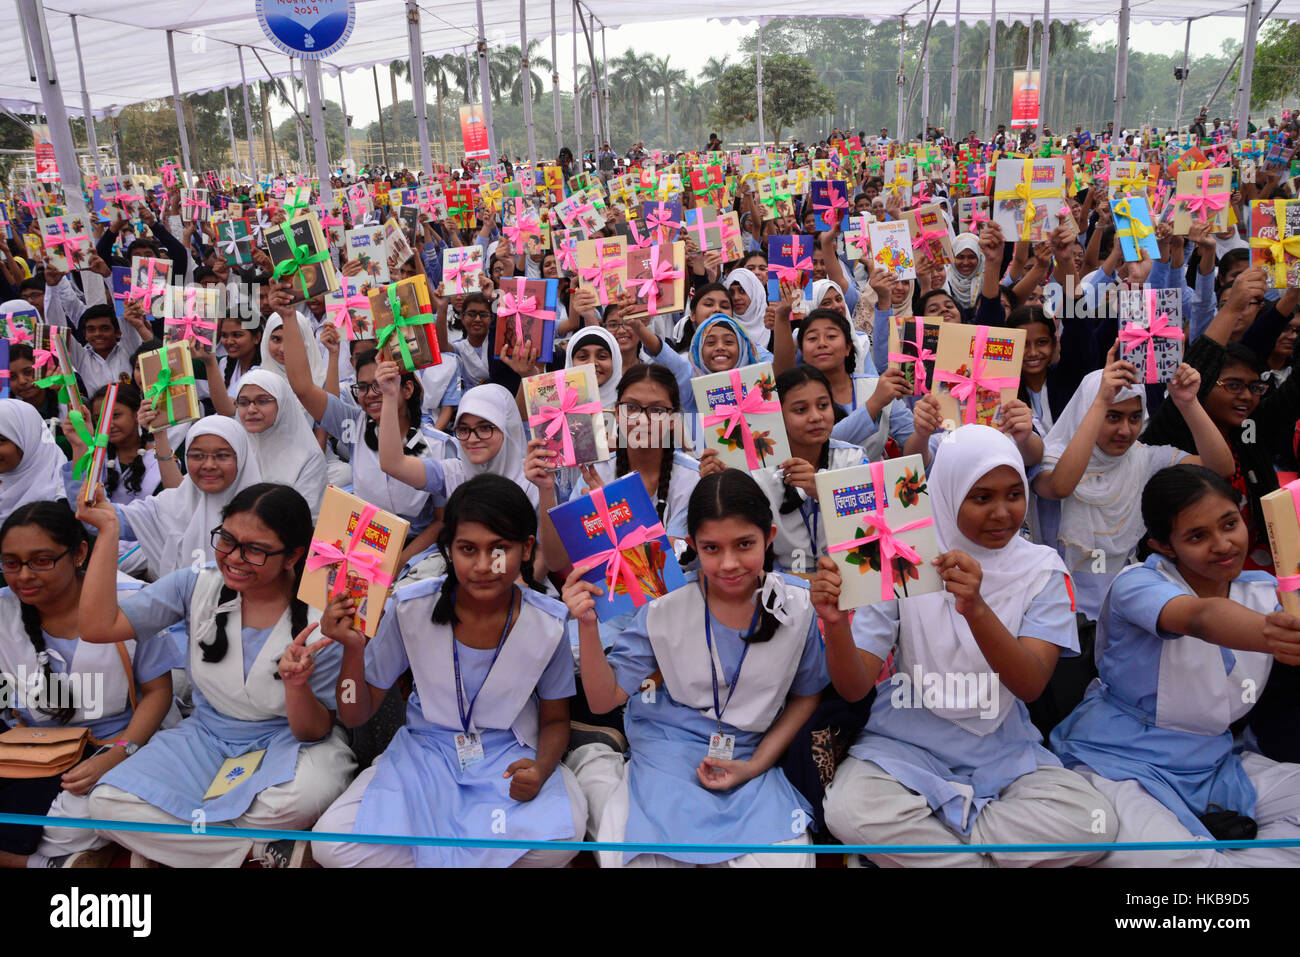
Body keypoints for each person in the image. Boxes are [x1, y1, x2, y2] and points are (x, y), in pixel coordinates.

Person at [311, 475, 587, 867]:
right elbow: (354, 712)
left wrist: (541, 769)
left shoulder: (548, 623)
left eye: (499, 549)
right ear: (448, 550)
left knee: (564, 839)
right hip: (426, 754)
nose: (482, 565)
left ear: (526, 549)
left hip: (506, 757)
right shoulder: (410, 608)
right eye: (467, 549)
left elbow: (557, 718)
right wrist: (353, 650)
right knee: (331, 844)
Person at [76, 483, 356, 868]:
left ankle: (171, 845)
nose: (234, 558)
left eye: (255, 549)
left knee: (305, 796)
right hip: (205, 738)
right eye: (226, 539)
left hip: (289, 745)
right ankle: (257, 850)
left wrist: (296, 685)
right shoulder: (197, 583)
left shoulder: (326, 613)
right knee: (106, 803)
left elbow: (313, 731)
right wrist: (107, 531)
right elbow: (97, 626)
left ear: (293, 555)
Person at [561, 469, 829, 867]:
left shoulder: (797, 605)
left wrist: (755, 765)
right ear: (693, 547)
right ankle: (599, 765)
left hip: (751, 752)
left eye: (744, 544)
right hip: (670, 746)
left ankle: (602, 773)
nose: (729, 563)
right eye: (711, 548)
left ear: (770, 537)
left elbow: (808, 694)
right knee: (638, 857)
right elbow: (604, 700)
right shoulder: (664, 601)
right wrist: (586, 624)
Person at [1053, 465, 1300, 867]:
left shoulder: (1265, 591)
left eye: (1229, 524)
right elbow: (1199, 618)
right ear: (1164, 546)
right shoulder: (1138, 584)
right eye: (1197, 536)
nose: (1223, 545)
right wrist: (1275, 635)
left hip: (1217, 763)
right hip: (1121, 764)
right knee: (1171, 861)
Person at [0, 502, 178, 869]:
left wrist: (117, 755)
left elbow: (159, 694)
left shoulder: (131, 602)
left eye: (41, 561)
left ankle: (57, 855)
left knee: (80, 817)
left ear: (79, 553)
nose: (24, 576)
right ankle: (49, 864)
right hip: (30, 750)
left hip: (115, 743)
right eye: (11, 563)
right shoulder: (4, 610)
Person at [233, 370, 328, 519]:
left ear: (282, 403)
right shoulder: (232, 450)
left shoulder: (308, 456)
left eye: (262, 401)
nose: (251, 410)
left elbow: (306, 517)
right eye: (243, 403)